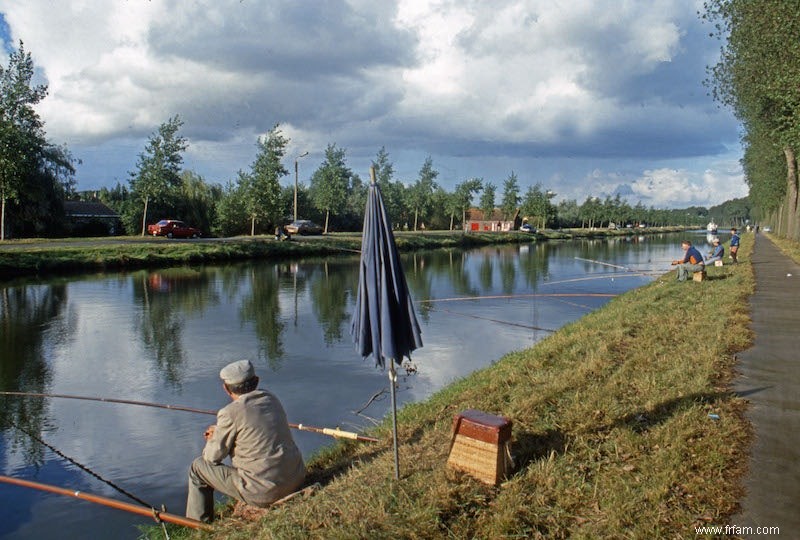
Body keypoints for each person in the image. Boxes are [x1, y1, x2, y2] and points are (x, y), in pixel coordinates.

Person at [186, 360, 306, 523]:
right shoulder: (271, 399)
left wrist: (214, 438)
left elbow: (212, 457)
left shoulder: (229, 413)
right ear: (256, 381)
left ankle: (197, 526)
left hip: (265, 492)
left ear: (226, 389)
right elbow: (252, 428)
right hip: (296, 477)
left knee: (198, 468)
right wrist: (221, 431)